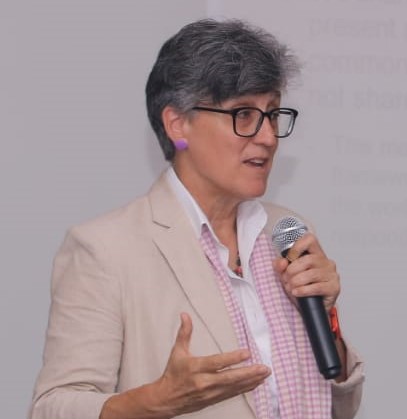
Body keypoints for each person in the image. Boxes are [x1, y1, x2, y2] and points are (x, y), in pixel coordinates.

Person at [29, 19, 364, 419]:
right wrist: (156, 400)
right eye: (243, 114)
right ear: (178, 125)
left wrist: (328, 322)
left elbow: (335, 404)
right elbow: (52, 407)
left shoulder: (286, 232)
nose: (268, 137)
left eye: (273, 113)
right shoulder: (105, 250)